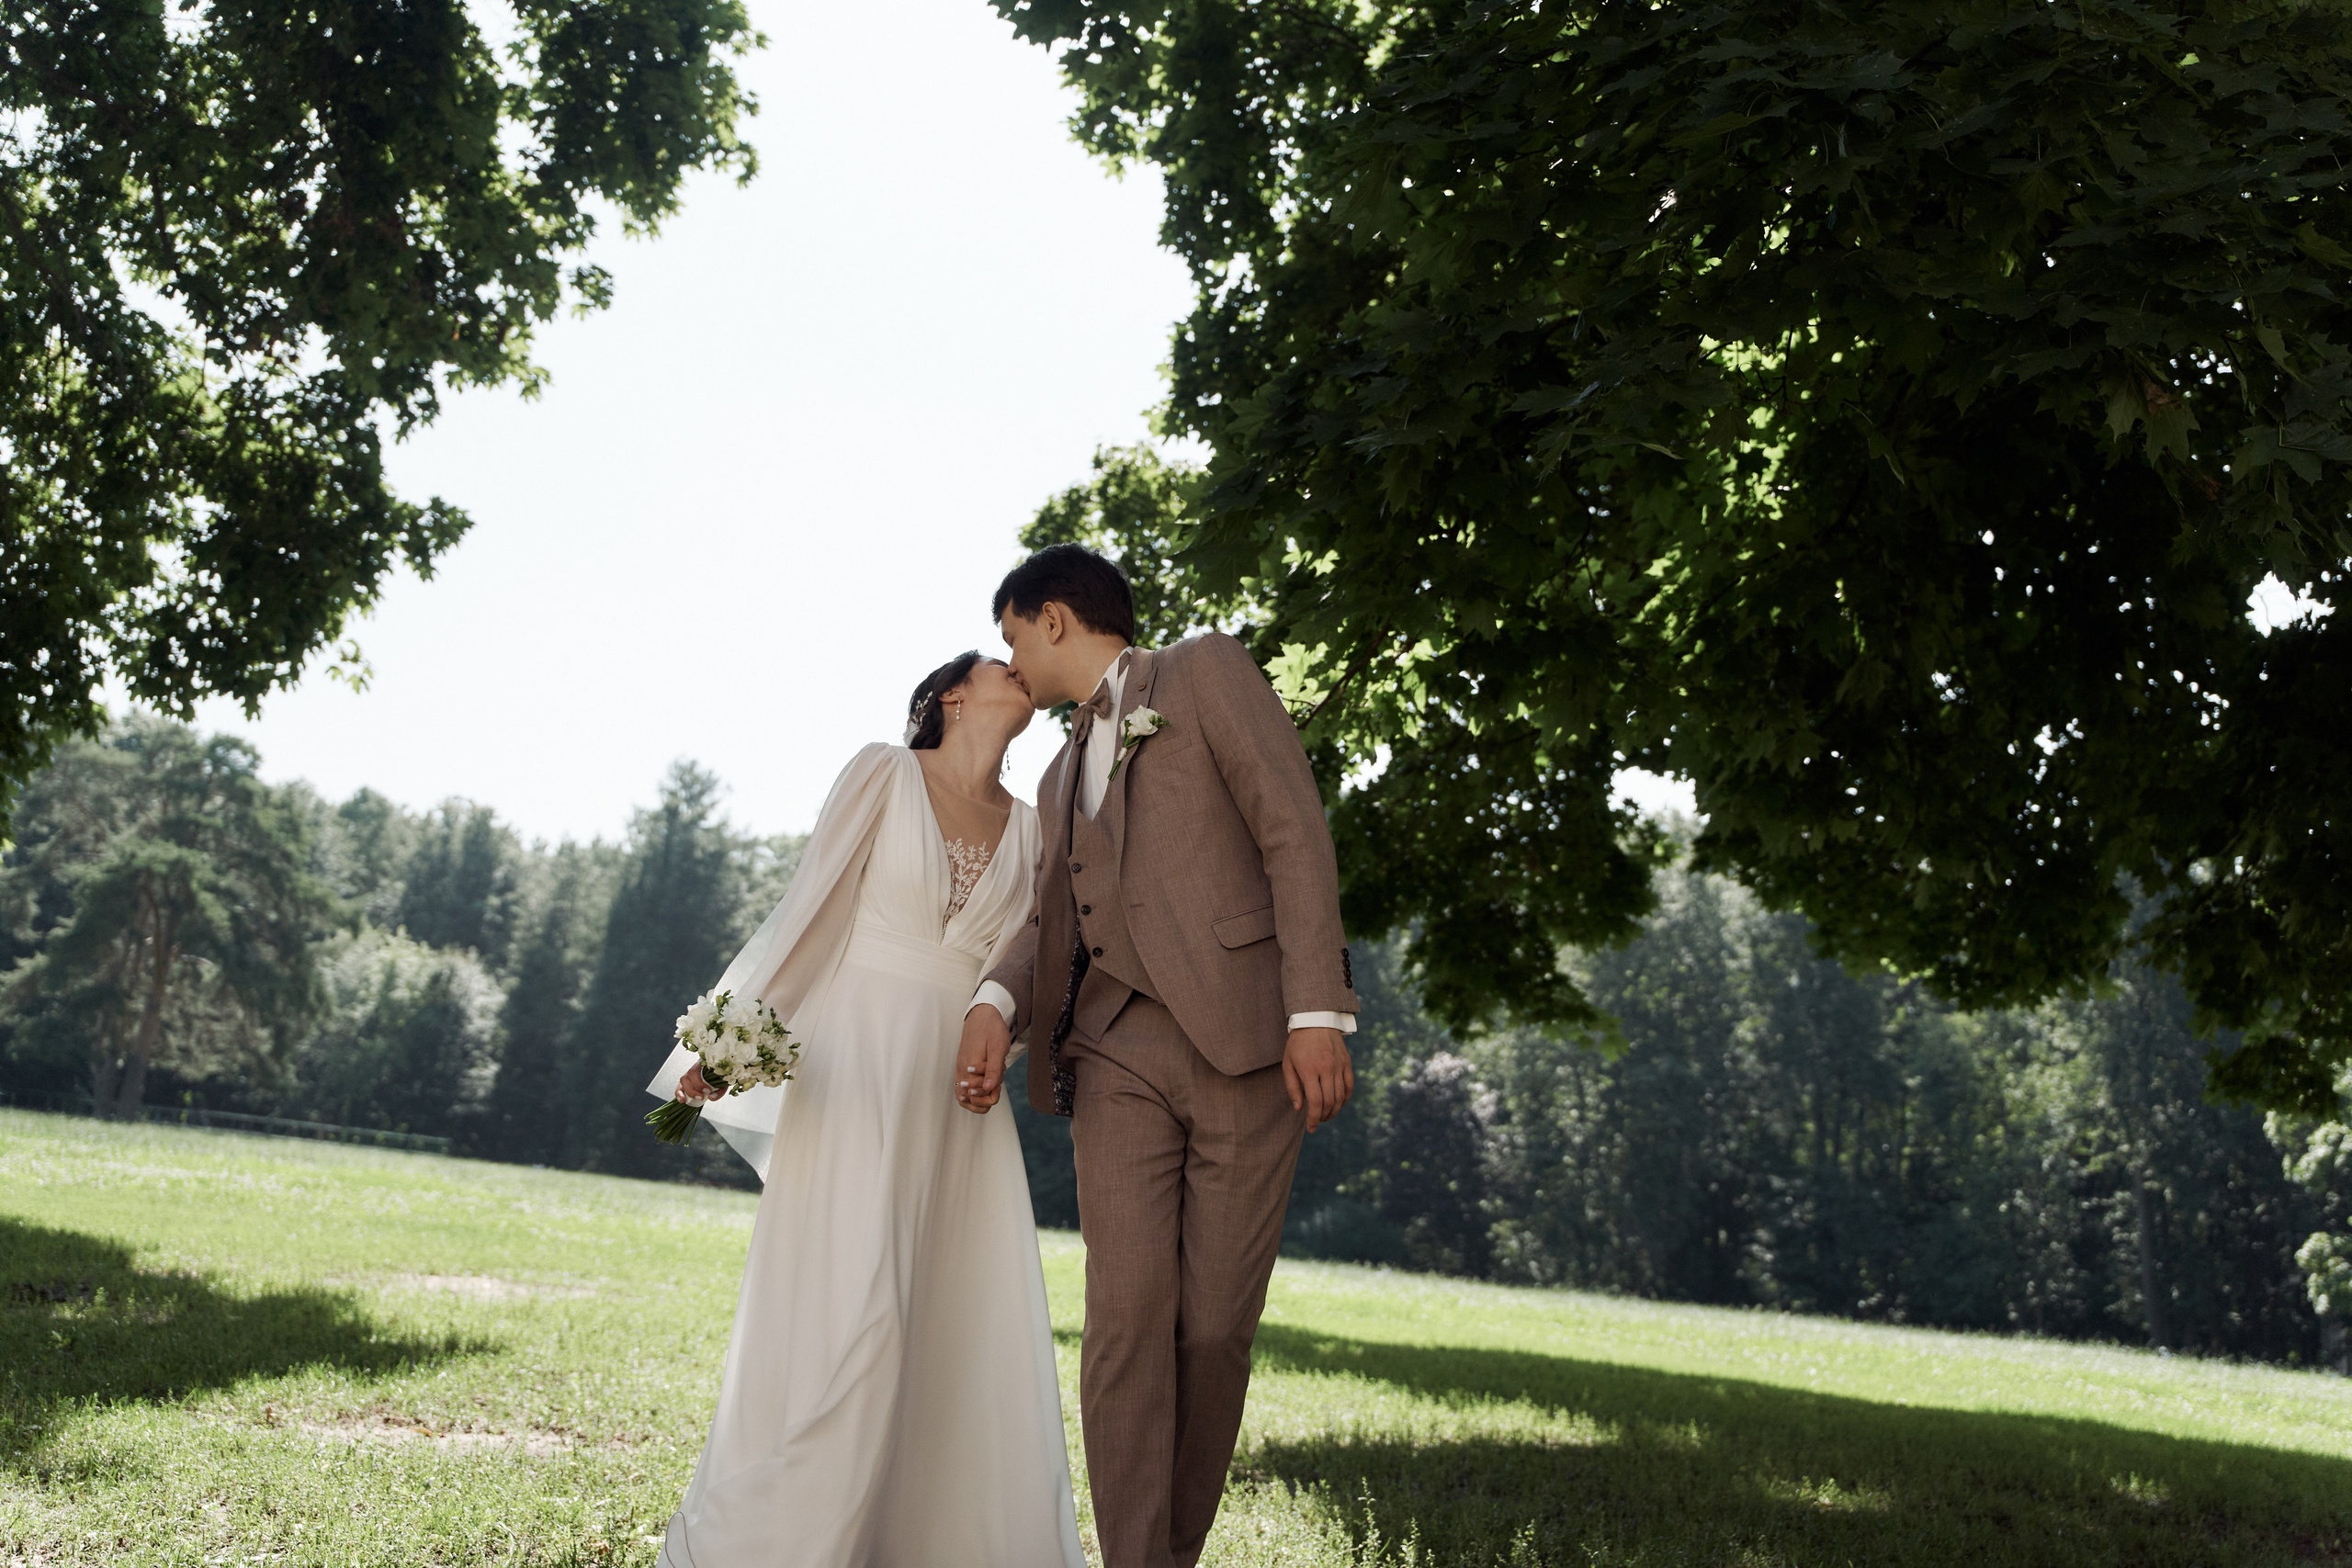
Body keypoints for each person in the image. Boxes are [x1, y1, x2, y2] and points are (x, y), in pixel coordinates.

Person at [957, 545, 1359, 1568]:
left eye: (1012, 637)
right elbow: (1049, 916)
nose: (1013, 660)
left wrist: (1316, 1008)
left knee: (1214, 1330)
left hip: (1246, 1044)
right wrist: (997, 999)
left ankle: (1170, 1553)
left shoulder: (1204, 671)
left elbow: (1293, 832)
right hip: (1114, 1051)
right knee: (1125, 1322)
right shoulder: (1055, 778)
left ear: (1053, 619)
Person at [644, 652, 1084, 1568]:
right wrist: (727, 1049)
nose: (1021, 669)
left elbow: (1030, 967)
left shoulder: (1036, 827)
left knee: (949, 1315)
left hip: (957, 1095)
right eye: (1000, 661)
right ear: (951, 695)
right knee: (858, 1302)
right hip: (858, 1065)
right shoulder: (883, 773)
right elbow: (813, 915)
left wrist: (1000, 1046)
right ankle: (777, 1534)